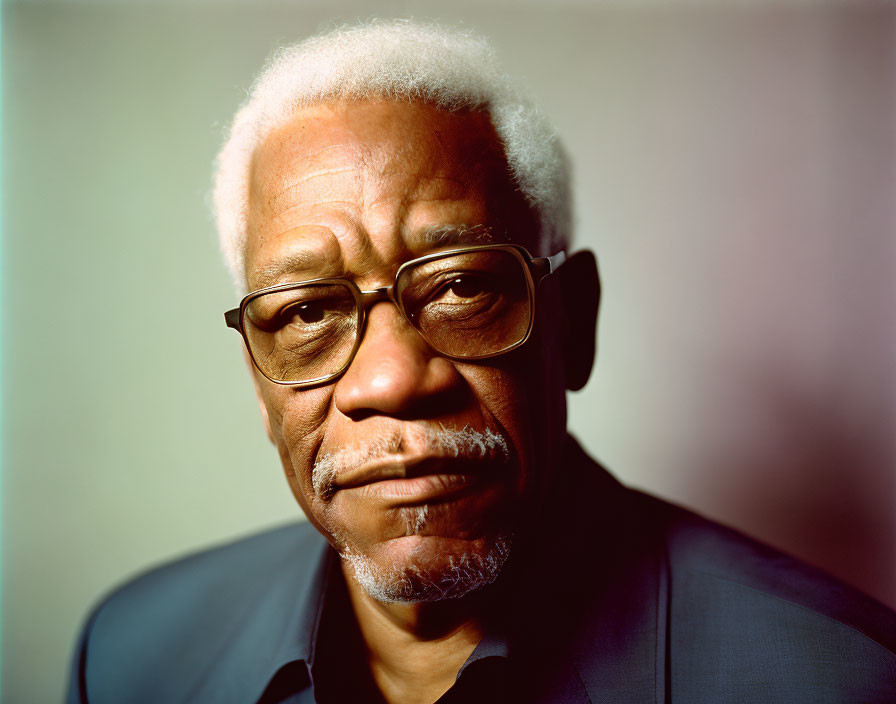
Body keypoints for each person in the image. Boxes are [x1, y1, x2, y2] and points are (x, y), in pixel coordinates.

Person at [66, 20, 896, 704]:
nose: (393, 378)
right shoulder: (129, 659)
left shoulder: (838, 681)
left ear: (571, 324)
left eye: (462, 286)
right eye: (308, 311)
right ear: (258, 376)